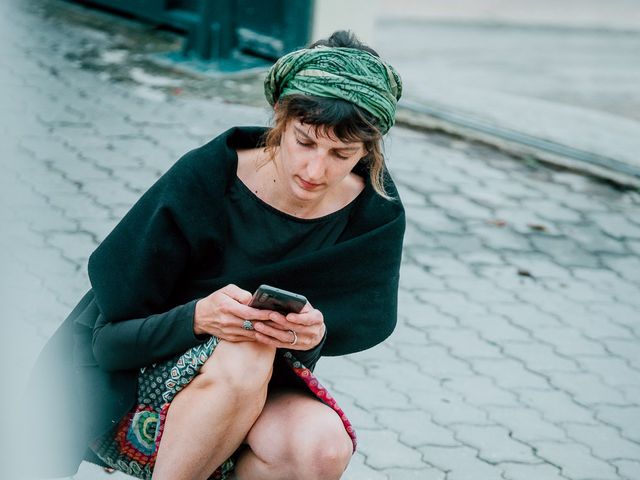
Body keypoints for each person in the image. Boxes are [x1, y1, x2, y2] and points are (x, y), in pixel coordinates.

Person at [22, 30, 404, 480]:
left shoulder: (372, 215)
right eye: (304, 141)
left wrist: (310, 337)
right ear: (280, 118)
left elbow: (304, 357)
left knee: (319, 445)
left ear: (369, 150)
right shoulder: (208, 177)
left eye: (342, 153)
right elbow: (106, 343)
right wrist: (199, 317)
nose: (315, 170)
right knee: (246, 352)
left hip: (247, 397)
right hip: (128, 391)